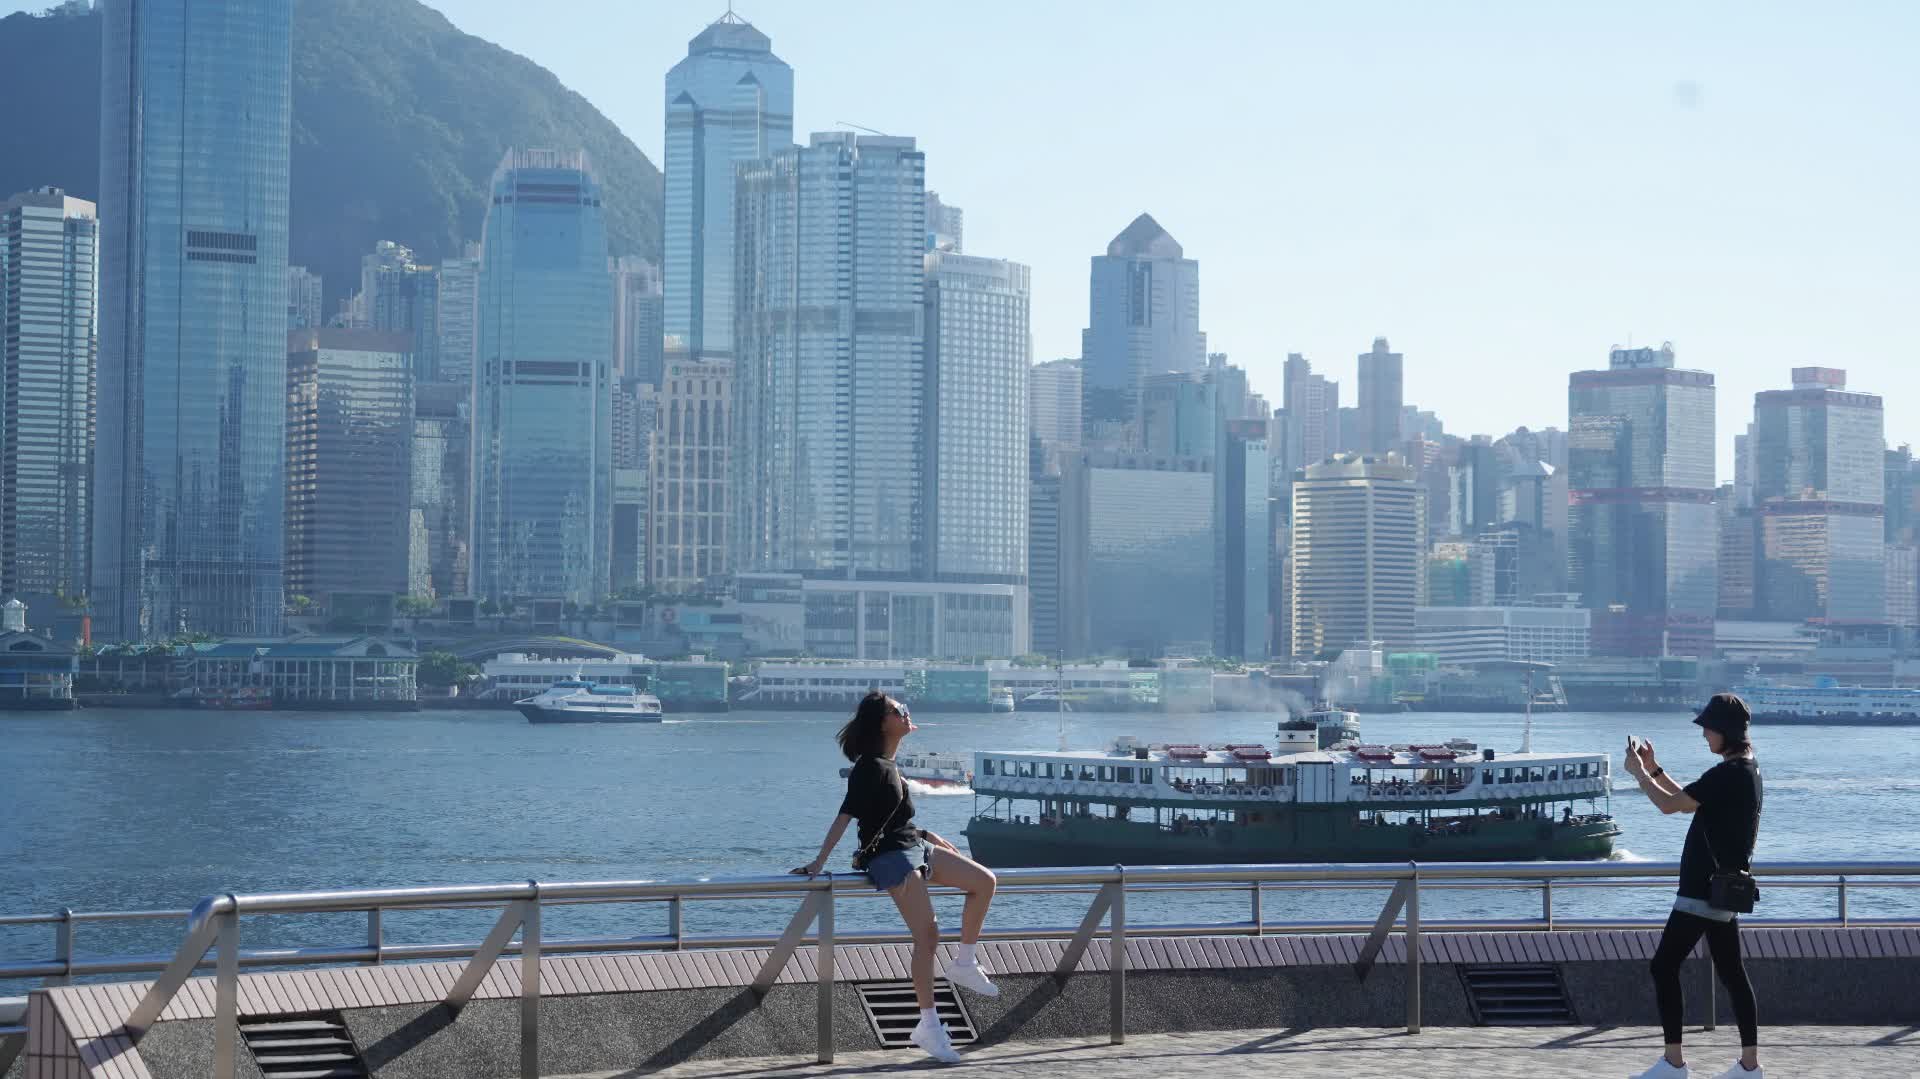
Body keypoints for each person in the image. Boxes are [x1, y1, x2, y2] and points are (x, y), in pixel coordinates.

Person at [792, 692, 999, 1065]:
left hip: (913, 847)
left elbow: (891, 817)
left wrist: (926, 835)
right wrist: (819, 861)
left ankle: (965, 963)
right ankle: (929, 1027)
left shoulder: (890, 764)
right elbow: (846, 816)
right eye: (895, 709)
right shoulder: (869, 766)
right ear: (882, 722)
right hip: (889, 858)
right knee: (928, 935)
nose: (904, 711)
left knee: (984, 882)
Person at [1624, 693, 1765, 1079]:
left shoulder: (1726, 775)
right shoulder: (1746, 770)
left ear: (1726, 731)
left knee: (1663, 966)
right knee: (1733, 975)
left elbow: (1670, 806)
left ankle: (1673, 1063)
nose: (1704, 734)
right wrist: (1653, 769)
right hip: (1722, 888)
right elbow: (1688, 799)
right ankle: (1750, 1068)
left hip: (1700, 890)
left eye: (1708, 728)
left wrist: (1637, 772)